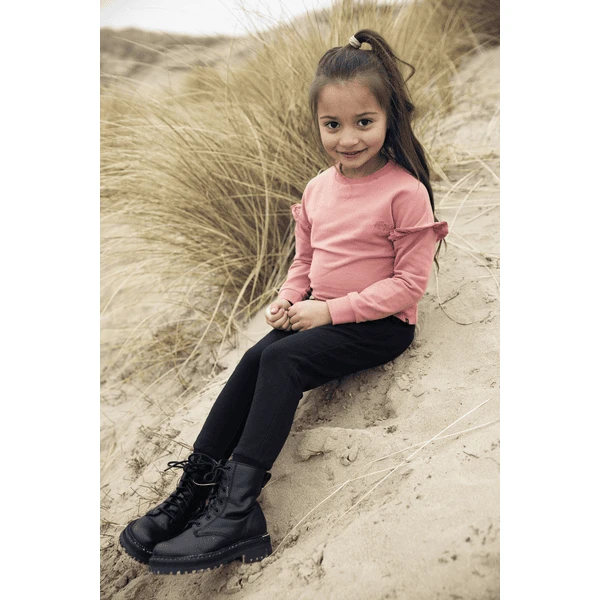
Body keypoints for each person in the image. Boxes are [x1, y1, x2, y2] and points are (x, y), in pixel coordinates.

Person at [119, 29, 449, 575]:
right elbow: (305, 261)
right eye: (332, 124)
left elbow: (408, 286)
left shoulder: (404, 192)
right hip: (321, 311)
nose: (348, 138)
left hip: (380, 324)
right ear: (316, 122)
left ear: (389, 117)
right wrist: (289, 298)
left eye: (364, 122)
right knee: (256, 356)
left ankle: (237, 513)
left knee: (282, 360)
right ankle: (193, 491)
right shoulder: (318, 188)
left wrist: (328, 311)